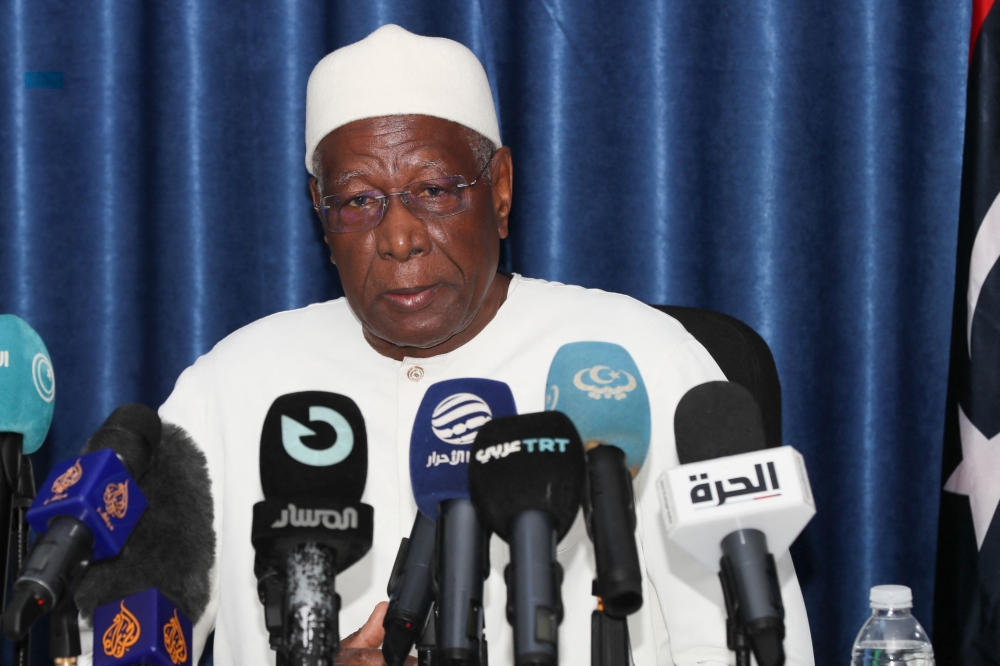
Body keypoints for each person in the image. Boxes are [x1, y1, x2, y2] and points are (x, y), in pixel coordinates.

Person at [155, 24, 814, 665]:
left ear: (499, 190)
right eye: (357, 201)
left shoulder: (640, 361)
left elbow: (749, 646)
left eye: (435, 190)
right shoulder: (228, 386)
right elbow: (124, 644)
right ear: (318, 211)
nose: (399, 236)